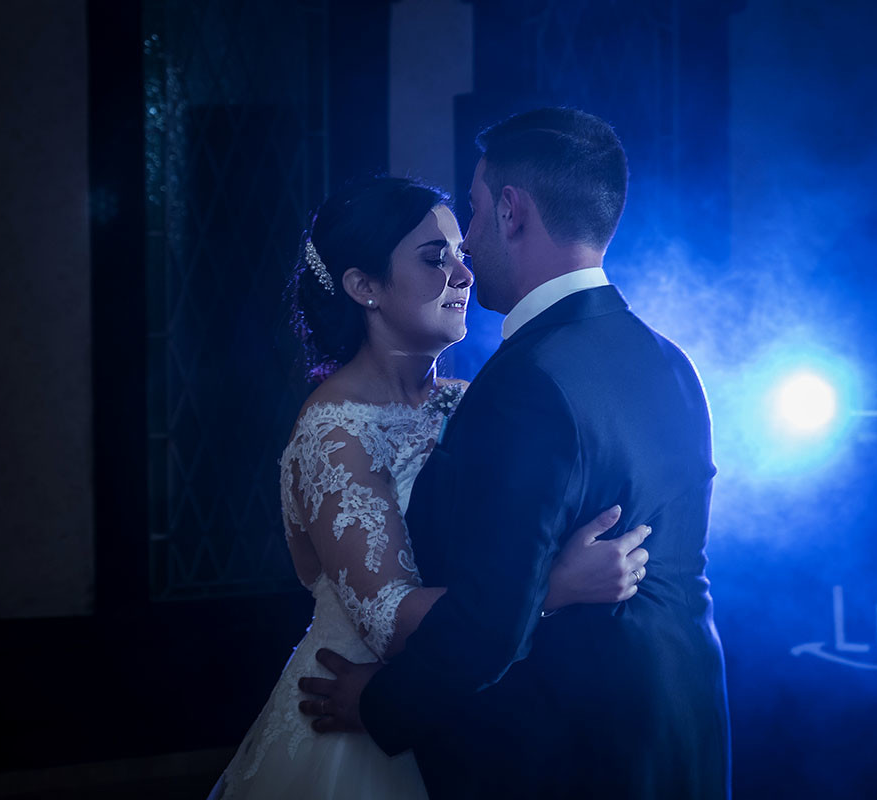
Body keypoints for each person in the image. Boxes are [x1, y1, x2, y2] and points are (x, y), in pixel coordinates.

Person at [302, 109, 731, 798]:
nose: (466, 249)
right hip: (685, 732)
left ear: (511, 210)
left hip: (572, 750)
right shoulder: (671, 360)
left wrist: (374, 704)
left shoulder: (528, 381)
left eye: (471, 215)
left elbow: (487, 624)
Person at [210, 175, 652, 799]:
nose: (463, 274)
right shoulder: (334, 431)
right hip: (357, 720)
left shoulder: (468, 401)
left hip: (464, 714)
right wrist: (556, 586)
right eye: (432, 258)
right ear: (363, 287)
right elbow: (390, 623)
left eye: (460, 254)